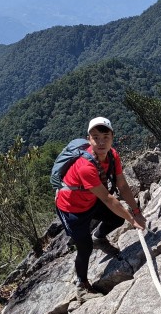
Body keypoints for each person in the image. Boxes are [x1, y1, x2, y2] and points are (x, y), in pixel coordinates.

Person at [55, 116, 147, 302]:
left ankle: (100, 238)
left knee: (116, 218)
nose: (101, 142)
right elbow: (106, 197)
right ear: (89, 139)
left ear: (113, 137)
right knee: (84, 247)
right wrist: (133, 219)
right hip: (71, 209)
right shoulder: (85, 166)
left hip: (90, 200)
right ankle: (81, 286)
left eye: (105, 137)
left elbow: (122, 185)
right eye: (95, 137)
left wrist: (136, 212)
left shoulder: (113, 155)